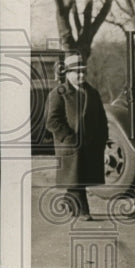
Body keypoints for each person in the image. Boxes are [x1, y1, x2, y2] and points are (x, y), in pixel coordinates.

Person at [45, 54, 109, 221]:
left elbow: (101, 119)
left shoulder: (92, 93)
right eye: (77, 72)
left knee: (82, 177)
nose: (81, 76)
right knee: (76, 179)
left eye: (84, 72)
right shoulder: (59, 93)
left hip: (90, 144)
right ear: (67, 73)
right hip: (70, 144)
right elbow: (52, 121)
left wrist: (102, 140)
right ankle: (83, 211)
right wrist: (69, 138)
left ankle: (69, 201)